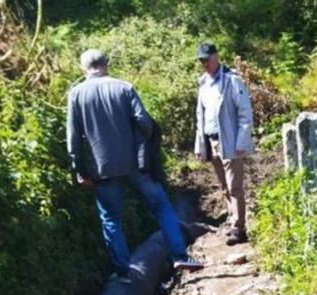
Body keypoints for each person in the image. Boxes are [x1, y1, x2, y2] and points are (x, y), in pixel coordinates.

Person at [67, 49, 203, 282]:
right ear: (106, 65)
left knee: (111, 219)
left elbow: (73, 139)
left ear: (84, 68)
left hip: (102, 169)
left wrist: (80, 170)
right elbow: (144, 122)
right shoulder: (124, 88)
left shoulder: (76, 95)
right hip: (135, 164)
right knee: (161, 206)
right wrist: (142, 146)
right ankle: (179, 255)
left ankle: (124, 272)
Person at [193, 42, 254, 246]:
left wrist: (241, 141)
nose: (204, 63)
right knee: (224, 186)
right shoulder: (203, 83)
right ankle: (232, 221)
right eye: (201, 60)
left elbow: (245, 114)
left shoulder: (232, 81)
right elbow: (200, 117)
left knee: (234, 185)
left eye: (207, 59)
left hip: (229, 140)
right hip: (212, 141)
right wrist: (199, 145)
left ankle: (239, 228)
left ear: (216, 56)